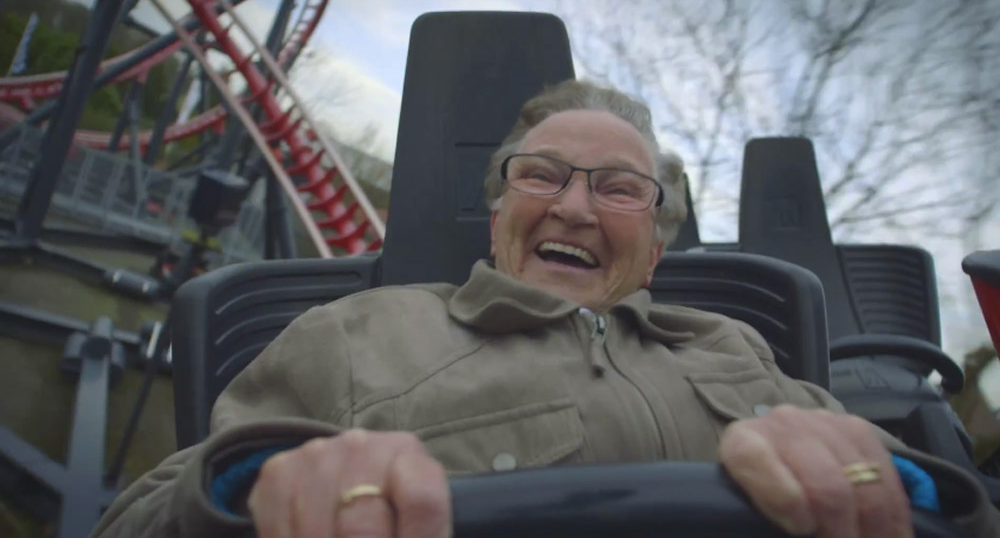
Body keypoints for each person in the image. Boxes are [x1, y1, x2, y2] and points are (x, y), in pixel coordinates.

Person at [91, 80, 997, 538]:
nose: (571, 207)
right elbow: (136, 518)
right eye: (542, 176)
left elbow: (960, 515)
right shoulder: (360, 331)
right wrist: (251, 488)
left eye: (615, 188)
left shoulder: (736, 345)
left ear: (654, 244)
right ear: (498, 217)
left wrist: (894, 483)